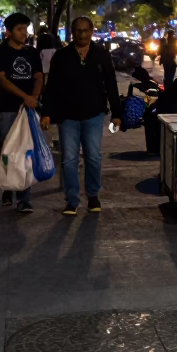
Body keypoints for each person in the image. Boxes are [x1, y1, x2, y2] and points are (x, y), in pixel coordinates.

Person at [42, 16, 123, 216]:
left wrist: (117, 113)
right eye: (78, 30)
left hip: (93, 114)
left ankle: (93, 196)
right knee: (69, 159)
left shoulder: (101, 55)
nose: (81, 34)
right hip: (67, 115)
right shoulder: (61, 56)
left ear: (91, 31)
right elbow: (51, 87)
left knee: (93, 157)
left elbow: (111, 85)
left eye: (85, 30)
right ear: (72, 32)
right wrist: (46, 113)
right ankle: (72, 200)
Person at [0, 13, 44, 212]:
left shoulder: (32, 53)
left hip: (27, 109)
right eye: (20, 29)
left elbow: (38, 76)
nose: (24, 33)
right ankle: (7, 186)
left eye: (26, 29)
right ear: (9, 31)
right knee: (7, 151)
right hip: (5, 108)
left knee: (26, 151)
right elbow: (1, 79)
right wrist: (25, 96)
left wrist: (33, 97)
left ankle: (24, 197)